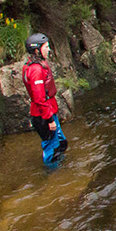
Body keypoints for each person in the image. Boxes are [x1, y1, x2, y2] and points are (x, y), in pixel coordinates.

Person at [22, 33, 68, 167]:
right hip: (43, 115)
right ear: (37, 50)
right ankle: (52, 173)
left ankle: (61, 166)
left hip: (48, 111)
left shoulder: (38, 65)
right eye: (46, 47)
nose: (49, 50)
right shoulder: (35, 70)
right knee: (52, 148)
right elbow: (39, 98)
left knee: (61, 142)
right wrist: (50, 120)